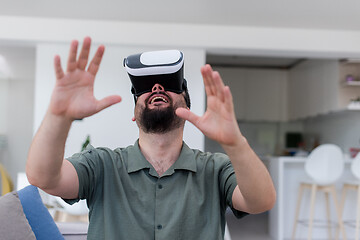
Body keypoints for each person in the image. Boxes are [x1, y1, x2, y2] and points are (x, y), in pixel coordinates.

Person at [26, 37, 276, 240]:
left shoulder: (215, 169)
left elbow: (261, 201)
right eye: (145, 87)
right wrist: (59, 116)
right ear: (135, 114)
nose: (156, 88)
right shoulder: (102, 164)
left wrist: (235, 143)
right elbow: (43, 178)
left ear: (186, 106)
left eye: (168, 83)